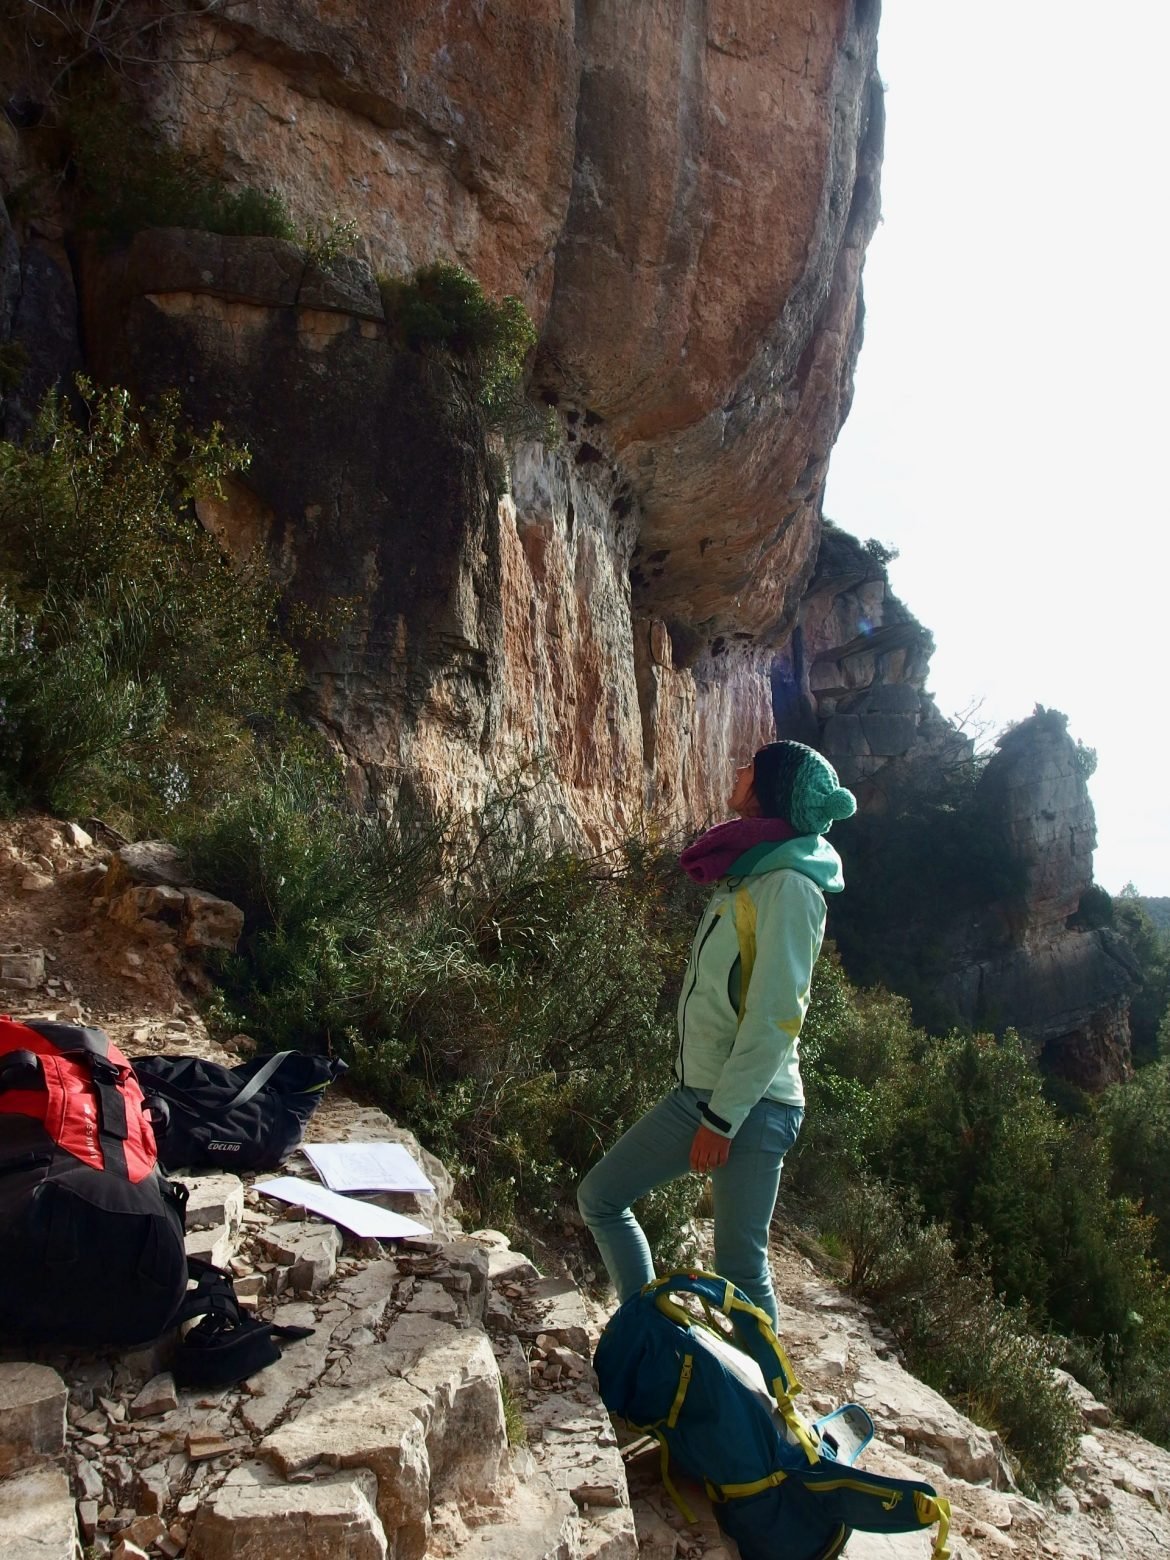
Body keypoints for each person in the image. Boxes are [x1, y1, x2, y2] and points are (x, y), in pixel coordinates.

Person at [577, 740, 856, 1328]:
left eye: (752, 767)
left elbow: (779, 1013)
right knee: (606, 1199)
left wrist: (722, 1118)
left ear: (773, 787)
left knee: (740, 1267)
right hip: (711, 1092)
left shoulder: (789, 885)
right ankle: (653, 1343)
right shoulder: (754, 871)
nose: (738, 770)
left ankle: (768, 1411)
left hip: (748, 1104)